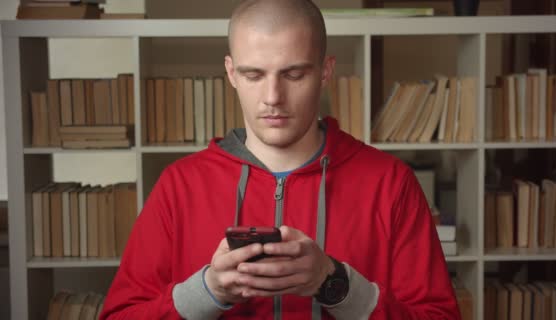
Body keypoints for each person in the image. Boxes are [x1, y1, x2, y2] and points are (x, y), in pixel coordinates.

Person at [100, 0, 460, 319]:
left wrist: (336, 285)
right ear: (231, 73)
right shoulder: (179, 186)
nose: (273, 97)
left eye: (294, 74)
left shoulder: (391, 183)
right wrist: (207, 291)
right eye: (253, 75)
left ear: (325, 72)